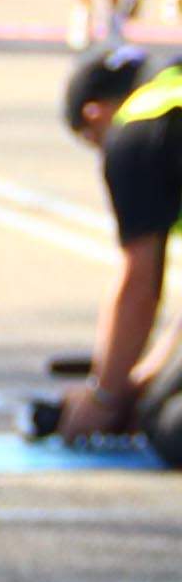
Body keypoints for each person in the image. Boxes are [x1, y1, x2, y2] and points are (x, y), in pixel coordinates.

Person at [54, 45, 182, 462]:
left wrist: (102, 399)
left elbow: (138, 283)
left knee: (170, 428)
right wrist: (146, 375)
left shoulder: (138, 128)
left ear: (94, 115)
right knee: (158, 404)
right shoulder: (170, 91)